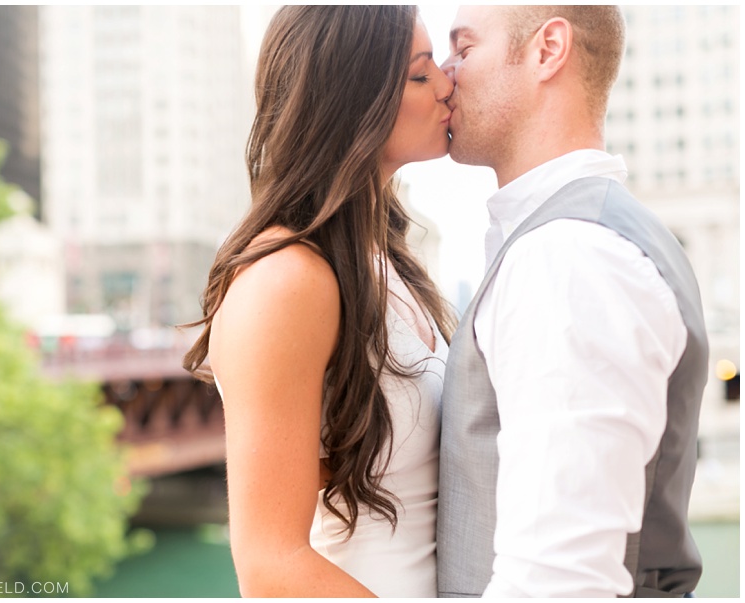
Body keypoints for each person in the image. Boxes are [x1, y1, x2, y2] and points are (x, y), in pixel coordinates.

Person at [436, 5, 708, 598]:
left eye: (464, 46)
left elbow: (558, 579)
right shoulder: (579, 238)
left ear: (547, 49)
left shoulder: (568, 254)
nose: (445, 71)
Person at [183, 5, 455, 598]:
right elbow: (270, 563)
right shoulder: (287, 280)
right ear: (352, 101)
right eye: (419, 73)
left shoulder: (384, 262)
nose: (447, 82)